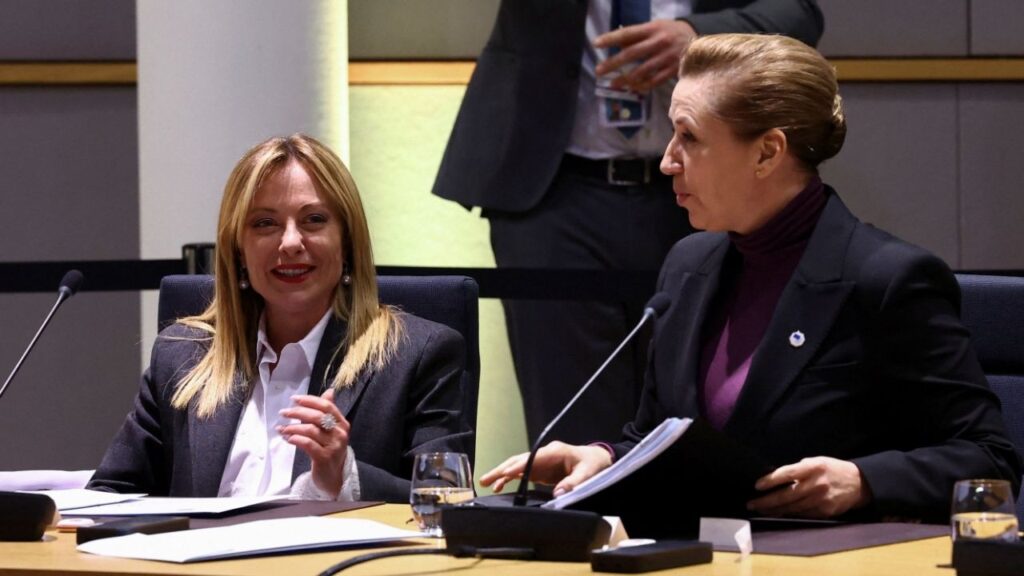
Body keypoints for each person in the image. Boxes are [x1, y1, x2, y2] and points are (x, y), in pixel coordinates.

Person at [481, 34, 1022, 522]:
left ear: (767, 152)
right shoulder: (689, 264)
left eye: (689, 137)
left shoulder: (886, 278)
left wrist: (864, 481)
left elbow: (989, 458)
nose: (668, 161)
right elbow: (661, 438)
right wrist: (603, 457)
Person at [433, 1, 826, 447]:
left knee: (700, 412)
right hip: (553, 191)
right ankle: (580, 519)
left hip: (705, 193)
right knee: (572, 426)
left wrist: (698, 35)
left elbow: (798, 14)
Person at [89, 134, 472, 503]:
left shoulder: (419, 356)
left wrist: (345, 476)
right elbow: (111, 495)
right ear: (238, 251)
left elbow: (445, 503)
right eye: (265, 224)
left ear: (348, 242)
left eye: (314, 220)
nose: (290, 242)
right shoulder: (182, 357)